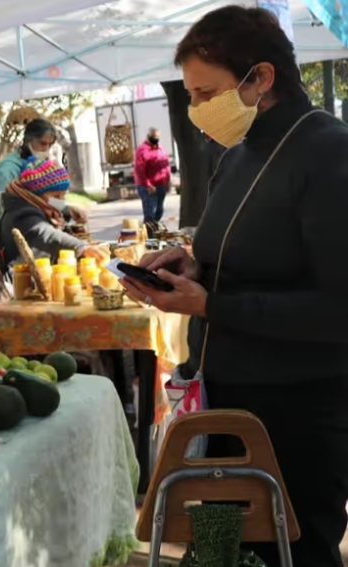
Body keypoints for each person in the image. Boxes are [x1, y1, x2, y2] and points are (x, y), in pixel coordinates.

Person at [120, 7, 348, 566]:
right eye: (191, 96)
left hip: (297, 416)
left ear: (261, 77)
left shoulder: (328, 151)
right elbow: (242, 255)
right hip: (222, 402)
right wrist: (191, 266)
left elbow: (339, 309)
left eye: (205, 93)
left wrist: (213, 305)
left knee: (295, 553)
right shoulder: (238, 153)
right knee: (222, 551)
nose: (196, 111)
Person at [0, 158, 108, 330]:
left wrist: (66, 209)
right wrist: (82, 247)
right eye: (57, 196)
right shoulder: (22, 213)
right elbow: (45, 233)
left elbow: (50, 204)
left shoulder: (29, 201)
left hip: (15, 282)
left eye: (63, 196)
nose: (60, 200)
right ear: (37, 194)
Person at [0, 119, 88, 254]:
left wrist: (65, 208)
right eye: (42, 144)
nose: (46, 149)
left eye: (49, 145)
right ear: (28, 140)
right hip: (10, 247)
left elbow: (41, 198)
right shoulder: (8, 169)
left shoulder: (38, 164)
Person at [133, 127, 171, 232]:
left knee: (159, 210)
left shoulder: (160, 148)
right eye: (154, 137)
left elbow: (166, 165)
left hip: (161, 185)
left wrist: (168, 181)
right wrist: (148, 185)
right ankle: (149, 236)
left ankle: (152, 231)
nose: (156, 139)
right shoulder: (142, 150)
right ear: (148, 137)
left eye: (157, 137)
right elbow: (139, 170)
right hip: (148, 186)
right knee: (150, 212)